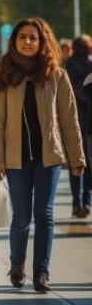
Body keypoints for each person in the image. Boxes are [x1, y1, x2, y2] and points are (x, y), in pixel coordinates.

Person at [0, 17, 86, 293]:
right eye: (22, 37)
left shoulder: (56, 73)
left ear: (42, 41)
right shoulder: (6, 74)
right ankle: (17, 262)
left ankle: (41, 272)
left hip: (49, 156)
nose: (28, 41)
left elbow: (69, 119)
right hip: (15, 158)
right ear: (15, 41)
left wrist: (77, 157)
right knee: (21, 217)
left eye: (33, 37)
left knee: (45, 214)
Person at [64, 35, 92, 218]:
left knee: (75, 161)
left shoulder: (66, 66)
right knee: (89, 162)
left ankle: (76, 202)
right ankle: (87, 201)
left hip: (72, 118)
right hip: (89, 119)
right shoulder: (91, 65)